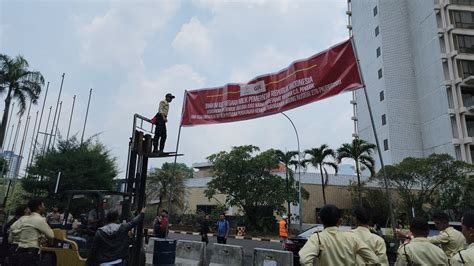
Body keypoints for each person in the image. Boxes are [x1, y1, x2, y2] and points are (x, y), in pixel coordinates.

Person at [299, 204, 378, 266]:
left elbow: (304, 260)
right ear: (340, 221)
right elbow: (374, 260)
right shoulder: (352, 237)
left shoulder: (317, 238)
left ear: (320, 220)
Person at [10, 198, 54, 266]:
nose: (44, 207)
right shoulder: (39, 219)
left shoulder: (23, 219)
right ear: (39, 207)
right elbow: (51, 235)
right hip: (31, 253)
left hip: (19, 251)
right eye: (43, 205)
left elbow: (12, 230)